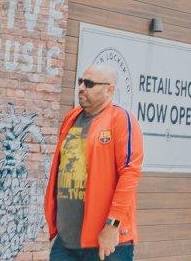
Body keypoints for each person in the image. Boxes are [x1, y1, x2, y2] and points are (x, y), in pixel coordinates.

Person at [45, 63, 143, 261]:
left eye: (89, 84)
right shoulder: (71, 118)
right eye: (80, 82)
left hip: (106, 243)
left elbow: (130, 174)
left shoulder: (121, 119)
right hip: (66, 242)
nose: (81, 87)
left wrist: (112, 225)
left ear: (109, 89)